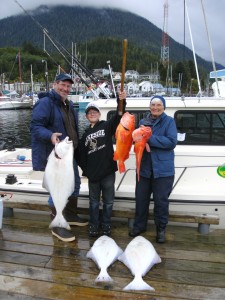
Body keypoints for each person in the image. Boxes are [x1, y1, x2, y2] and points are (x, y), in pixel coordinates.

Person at [30, 73, 88, 242]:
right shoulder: (45, 103)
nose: (65, 88)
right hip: (54, 156)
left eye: (68, 86)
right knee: (57, 187)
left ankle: (69, 215)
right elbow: (35, 126)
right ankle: (57, 224)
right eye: (62, 85)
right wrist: (50, 136)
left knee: (74, 185)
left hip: (68, 155)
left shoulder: (68, 105)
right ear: (55, 84)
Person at [129, 95, 177, 243]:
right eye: (153, 105)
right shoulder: (143, 121)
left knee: (161, 201)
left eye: (159, 105)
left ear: (163, 107)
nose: (155, 107)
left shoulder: (169, 121)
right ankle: (139, 226)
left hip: (163, 170)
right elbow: (138, 139)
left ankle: (161, 229)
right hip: (144, 168)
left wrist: (149, 138)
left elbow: (171, 142)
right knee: (141, 199)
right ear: (149, 107)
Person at [79, 91, 126, 237]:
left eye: (94, 111)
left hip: (108, 173)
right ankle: (93, 225)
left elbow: (119, 115)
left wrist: (121, 101)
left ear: (99, 114)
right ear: (86, 116)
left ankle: (106, 225)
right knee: (93, 203)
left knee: (108, 202)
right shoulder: (85, 135)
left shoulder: (107, 126)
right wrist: (86, 171)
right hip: (93, 176)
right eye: (89, 112)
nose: (92, 114)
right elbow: (80, 156)